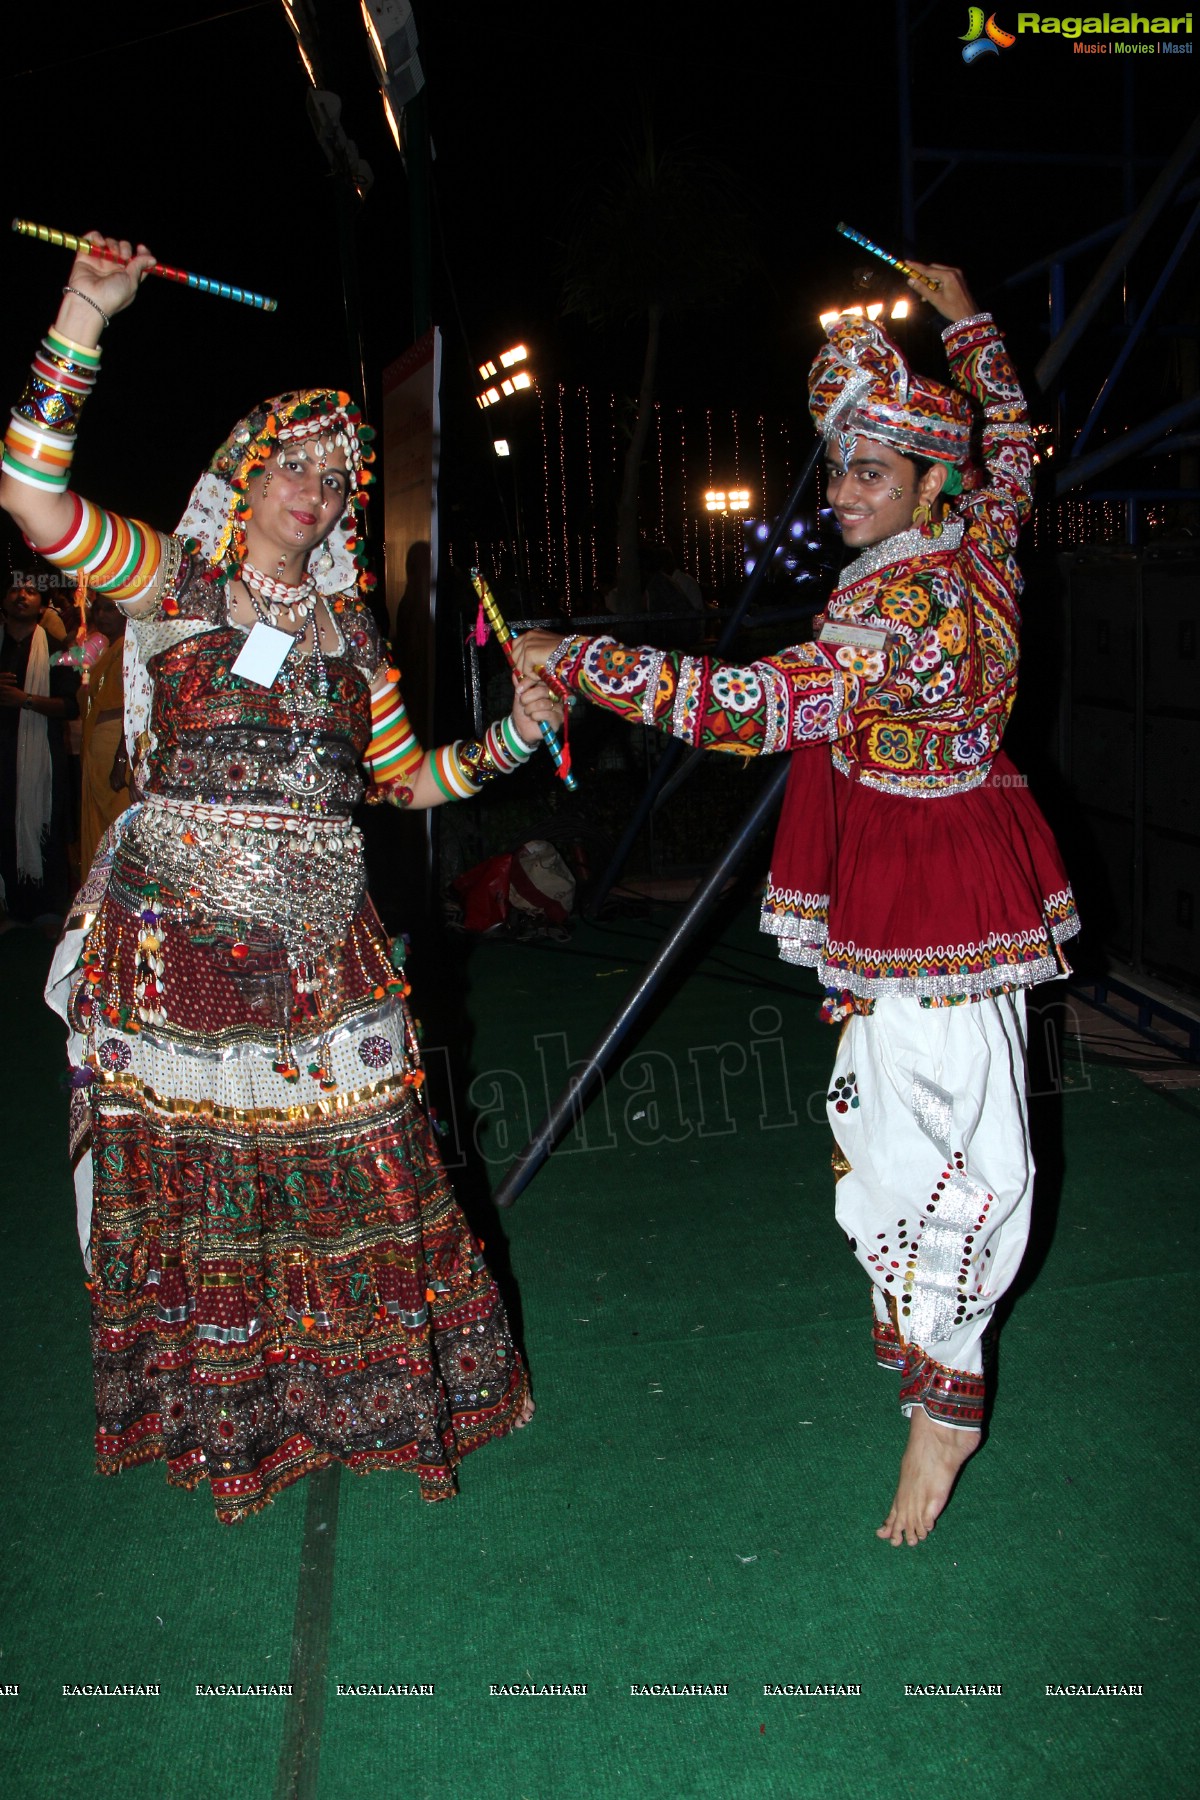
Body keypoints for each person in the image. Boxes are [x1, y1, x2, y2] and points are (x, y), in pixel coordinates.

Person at [512, 263, 1079, 1547]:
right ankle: (934, 1357)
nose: (839, 498)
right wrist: (968, 317)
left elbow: (754, 709)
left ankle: (951, 1396)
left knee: (943, 1147)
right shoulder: (983, 530)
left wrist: (581, 659)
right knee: (894, 1127)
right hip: (924, 863)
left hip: (931, 892)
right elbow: (1016, 438)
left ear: (929, 480)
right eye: (836, 470)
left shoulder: (911, 603)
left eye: (866, 474)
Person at [1, 233, 561, 1523]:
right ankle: (223, 1416)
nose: (314, 491)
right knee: (203, 1176)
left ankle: (347, 1403)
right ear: (246, 480)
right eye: (293, 468)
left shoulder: (352, 633)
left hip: (321, 934)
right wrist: (85, 313)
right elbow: (31, 499)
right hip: (180, 929)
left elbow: (405, 782)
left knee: (360, 1160)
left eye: (335, 475)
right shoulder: (174, 584)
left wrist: (523, 729)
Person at [0, 579, 81, 926]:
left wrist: (26, 701)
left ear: (41, 604)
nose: (22, 595)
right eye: (15, 590)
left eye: (31, 591)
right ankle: (9, 907)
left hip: (41, 757)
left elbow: (69, 707)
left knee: (46, 822)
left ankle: (46, 908)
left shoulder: (55, 647)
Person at [77, 591, 130, 875]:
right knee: (99, 833)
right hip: (97, 754)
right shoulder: (105, 649)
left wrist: (122, 758)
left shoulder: (131, 647)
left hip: (116, 756)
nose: (101, 616)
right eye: (98, 610)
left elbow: (135, 709)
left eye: (110, 609)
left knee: (119, 830)